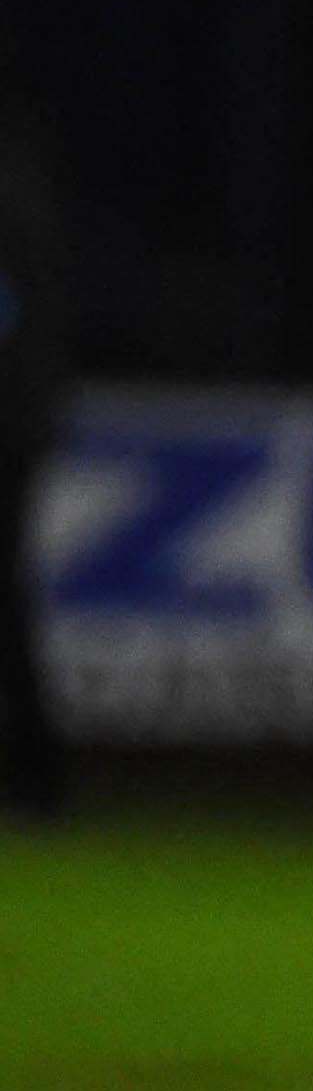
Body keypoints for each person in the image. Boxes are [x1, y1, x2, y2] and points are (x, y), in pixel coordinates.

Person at [0, 47, 69, 826]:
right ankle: (38, 774)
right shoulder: (23, 175)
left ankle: (38, 776)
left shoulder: (11, 184)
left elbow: (11, 314)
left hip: (6, 426)